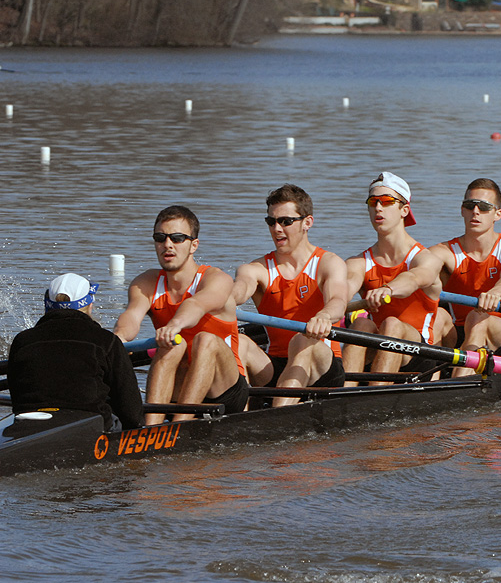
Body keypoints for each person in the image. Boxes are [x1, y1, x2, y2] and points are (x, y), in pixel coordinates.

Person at [114, 205, 248, 425]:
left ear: (194, 245)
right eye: (160, 237)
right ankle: (151, 428)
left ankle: (179, 425)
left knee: (204, 340)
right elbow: (131, 317)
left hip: (225, 389)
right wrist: (118, 338)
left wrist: (174, 325)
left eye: (177, 238)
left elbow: (195, 305)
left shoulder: (216, 279)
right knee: (173, 345)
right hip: (180, 382)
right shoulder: (145, 283)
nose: (168, 245)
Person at [232, 184, 348, 406]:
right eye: (271, 221)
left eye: (286, 221)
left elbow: (338, 301)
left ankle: (275, 418)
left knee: (302, 340)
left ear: (307, 223)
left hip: (322, 366)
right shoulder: (255, 269)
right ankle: (235, 415)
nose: (277, 228)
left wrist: (323, 316)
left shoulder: (328, 263)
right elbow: (239, 290)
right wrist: (220, 300)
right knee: (239, 342)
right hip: (275, 366)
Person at [7, 273, 143, 432]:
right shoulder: (107, 341)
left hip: (29, 426)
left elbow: (17, 399)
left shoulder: (22, 341)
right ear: (89, 304)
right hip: (91, 427)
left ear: (47, 305)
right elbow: (132, 412)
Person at [343, 172, 443, 383]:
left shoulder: (426, 259)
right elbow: (344, 287)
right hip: (379, 346)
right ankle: (342, 394)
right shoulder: (358, 263)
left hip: (420, 354)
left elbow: (415, 278)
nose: (378, 208)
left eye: (387, 202)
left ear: (404, 210)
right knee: (360, 326)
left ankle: (374, 394)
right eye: (373, 202)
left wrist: (388, 289)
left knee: (391, 323)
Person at [430, 178, 501, 375]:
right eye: (470, 205)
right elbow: (418, 271)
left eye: (484, 207)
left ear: (497, 214)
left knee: (478, 316)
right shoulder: (443, 251)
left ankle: (456, 386)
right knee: (438, 315)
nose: (475, 212)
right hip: (458, 333)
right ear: (462, 210)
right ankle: (427, 381)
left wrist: (495, 293)